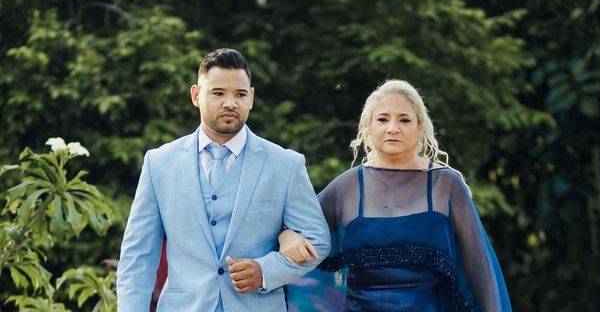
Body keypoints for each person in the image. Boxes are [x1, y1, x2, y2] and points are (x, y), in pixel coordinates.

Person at [117, 48, 330, 312]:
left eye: (240, 94)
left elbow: (318, 240)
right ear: (196, 95)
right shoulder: (160, 163)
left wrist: (265, 271)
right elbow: (138, 256)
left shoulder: (285, 164)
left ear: (251, 98)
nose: (230, 103)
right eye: (218, 93)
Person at [279, 79, 512, 311]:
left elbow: (479, 269)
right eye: (382, 119)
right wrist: (286, 235)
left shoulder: (447, 184)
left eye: (404, 119)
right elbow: (296, 226)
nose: (393, 128)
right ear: (368, 127)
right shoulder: (346, 187)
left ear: (420, 127)